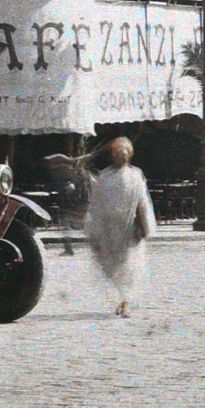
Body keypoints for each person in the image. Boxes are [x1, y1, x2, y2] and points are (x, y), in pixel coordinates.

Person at [85, 136, 155, 317]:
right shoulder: (104, 176)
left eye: (123, 154)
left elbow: (143, 202)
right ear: (112, 156)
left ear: (129, 156)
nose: (120, 157)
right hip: (108, 231)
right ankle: (118, 299)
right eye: (117, 154)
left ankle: (126, 302)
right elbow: (96, 204)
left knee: (129, 267)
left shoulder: (135, 175)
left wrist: (145, 226)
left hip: (129, 230)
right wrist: (94, 229)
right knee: (110, 267)